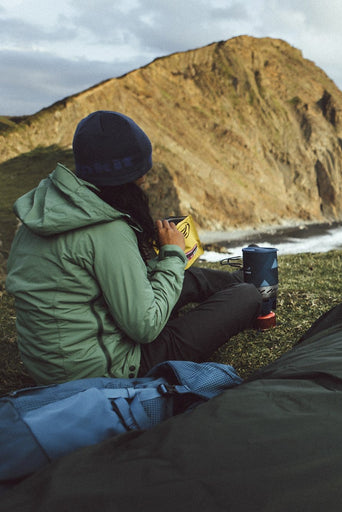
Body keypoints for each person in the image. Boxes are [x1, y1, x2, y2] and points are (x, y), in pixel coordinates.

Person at [6, 110, 262, 385]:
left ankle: (243, 280)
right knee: (245, 297)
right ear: (128, 176)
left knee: (189, 278)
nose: (145, 180)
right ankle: (254, 290)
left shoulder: (46, 213)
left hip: (52, 364)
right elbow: (145, 326)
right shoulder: (106, 230)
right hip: (104, 372)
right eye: (141, 173)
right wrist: (174, 253)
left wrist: (158, 261)